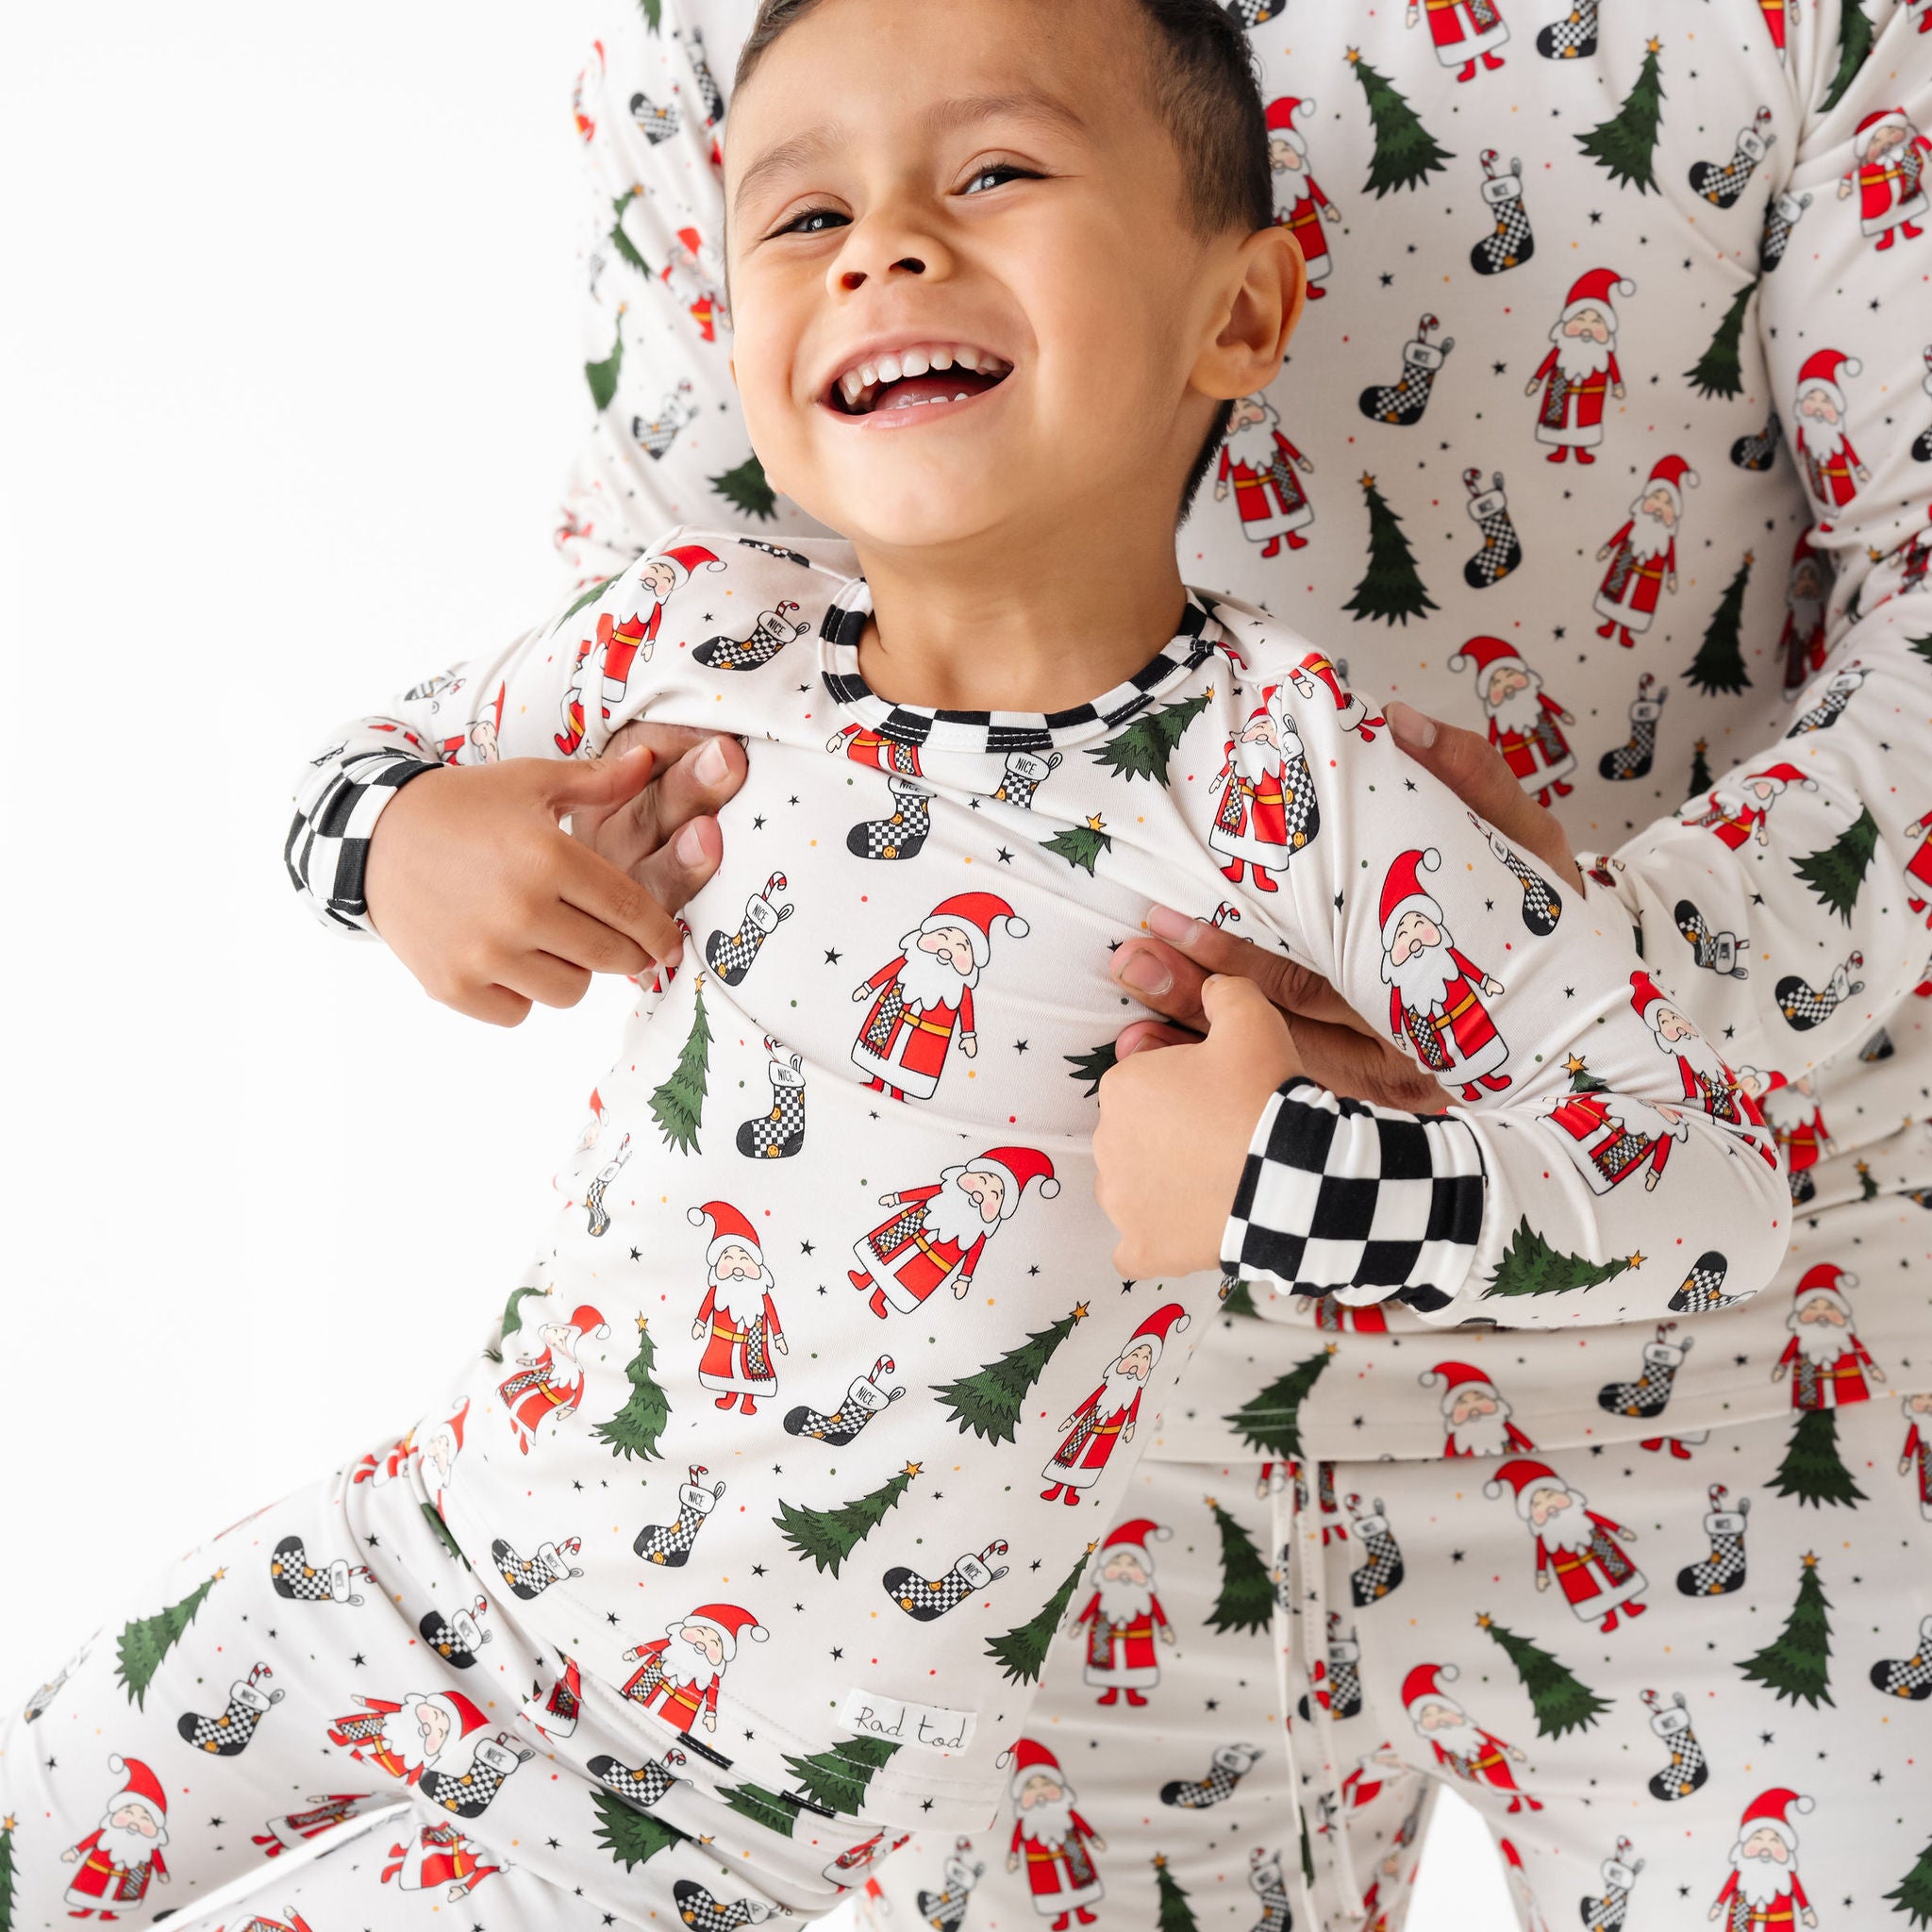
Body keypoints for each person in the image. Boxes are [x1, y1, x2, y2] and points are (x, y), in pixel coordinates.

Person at [0, 6, 1802, 1932]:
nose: (883, 245)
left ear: (1243, 316)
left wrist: (1286, 1181)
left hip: (727, 1792)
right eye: (801, 216)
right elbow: (359, 771)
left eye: (996, 171)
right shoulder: (695, 631)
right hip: (400, 1556)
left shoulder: (1304, 795)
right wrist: (397, 848)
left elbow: (1705, 1192)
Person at [547, 1, 1932, 1927]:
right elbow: (694, 575)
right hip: (1036, 1384)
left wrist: (1563, 956)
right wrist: (419, 833)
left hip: (1727, 1351)